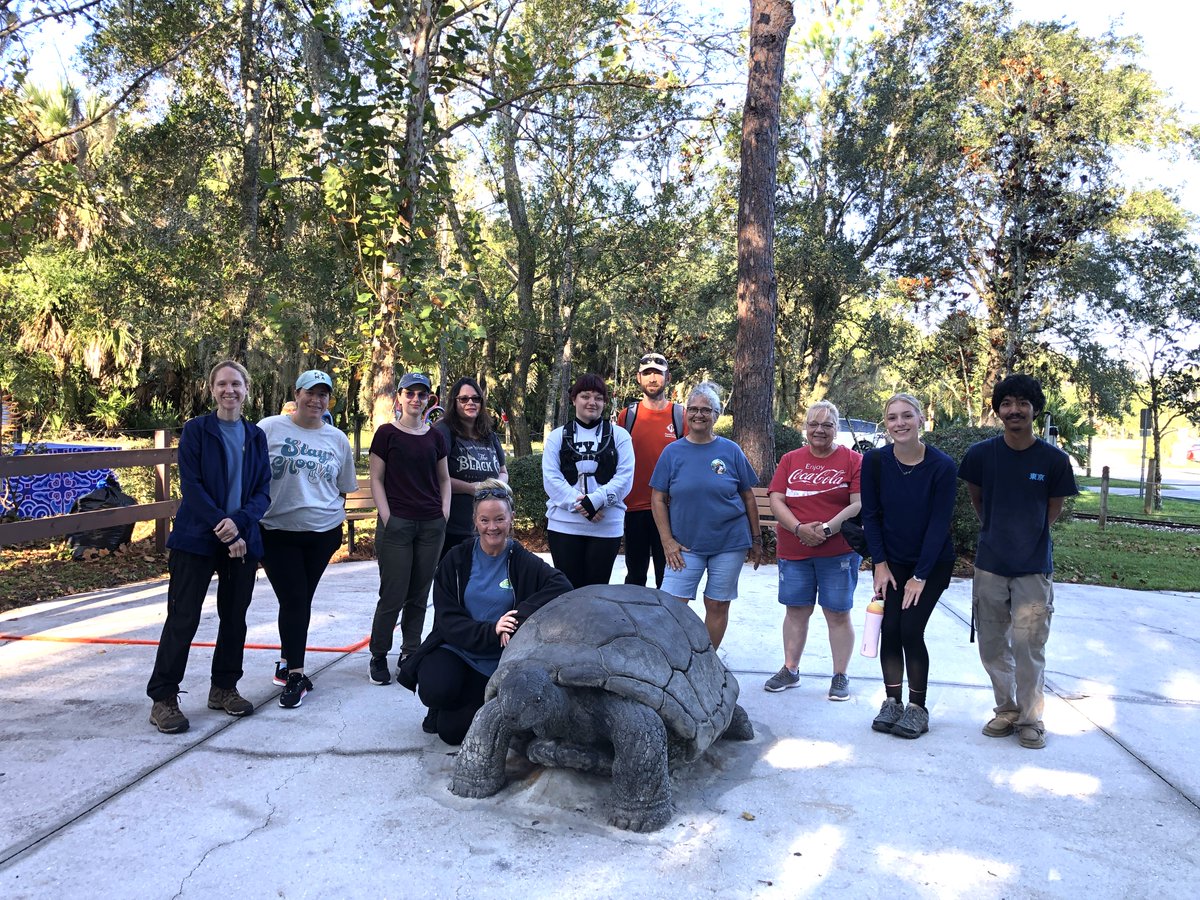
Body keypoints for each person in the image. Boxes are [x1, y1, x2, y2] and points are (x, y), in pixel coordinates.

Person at [146, 360, 271, 734]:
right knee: (183, 616)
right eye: (222, 384)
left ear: (246, 390)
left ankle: (224, 688)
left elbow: (263, 490)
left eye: (236, 384)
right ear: (211, 389)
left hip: (243, 537)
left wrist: (241, 526)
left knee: (235, 617)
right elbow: (193, 487)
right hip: (197, 538)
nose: (229, 390)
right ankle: (163, 698)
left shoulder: (255, 436)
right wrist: (226, 529)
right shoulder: (197, 431)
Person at [398, 480, 572, 744]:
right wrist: (491, 630)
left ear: (511, 518)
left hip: (495, 660)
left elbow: (561, 585)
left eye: (500, 519)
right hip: (456, 647)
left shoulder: (519, 558)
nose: (493, 527)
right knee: (435, 690)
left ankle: (469, 700)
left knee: (451, 733)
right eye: (485, 520)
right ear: (475, 521)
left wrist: (517, 617)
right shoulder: (455, 560)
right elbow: (447, 621)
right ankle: (449, 699)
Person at [959, 374, 1078, 750]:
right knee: (993, 645)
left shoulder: (1054, 460)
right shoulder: (981, 456)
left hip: (1033, 569)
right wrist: (998, 533)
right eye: (1006, 403)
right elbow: (978, 501)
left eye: (1022, 403)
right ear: (998, 410)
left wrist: (1027, 537)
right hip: (990, 566)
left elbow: (1052, 510)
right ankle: (1006, 710)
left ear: (1034, 409)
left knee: (1029, 647)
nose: (1014, 410)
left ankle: (1031, 719)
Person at [257, 370, 359, 709]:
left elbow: (342, 487)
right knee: (296, 598)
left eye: (323, 395)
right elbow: (251, 476)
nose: (316, 400)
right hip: (276, 532)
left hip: (322, 533)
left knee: (299, 599)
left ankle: (288, 661)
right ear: (296, 394)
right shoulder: (269, 428)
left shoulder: (337, 439)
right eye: (310, 393)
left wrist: (333, 524)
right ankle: (297, 675)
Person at [861, 393, 957, 739]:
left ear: (920, 420)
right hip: (891, 562)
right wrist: (880, 564)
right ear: (885, 424)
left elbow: (938, 524)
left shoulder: (942, 466)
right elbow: (870, 516)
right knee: (890, 627)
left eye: (906, 416)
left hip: (931, 564)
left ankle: (917, 707)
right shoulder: (874, 461)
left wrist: (920, 576)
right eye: (891, 418)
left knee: (911, 630)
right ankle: (892, 701)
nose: (899, 423)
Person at [649, 381, 762, 650]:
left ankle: (707, 660)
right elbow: (658, 498)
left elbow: (748, 495)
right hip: (684, 544)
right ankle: (677, 659)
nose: (698, 414)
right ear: (686, 413)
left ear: (716, 415)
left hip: (729, 542)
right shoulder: (672, 452)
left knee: (717, 603)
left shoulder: (731, 450)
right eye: (693, 409)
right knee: (672, 605)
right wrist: (667, 540)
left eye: (706, 410)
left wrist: (756, 540)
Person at [764, 399, 862, 700]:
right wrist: (798, 529)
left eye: (827, 425)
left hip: (839, 552)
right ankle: (790, 669)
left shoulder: (853, 460)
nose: (820, 430)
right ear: (805, 427)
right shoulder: (790, 460)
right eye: (814, 424)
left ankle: (840, 675)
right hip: (794, 549)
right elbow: (777, 499)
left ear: (837, 429)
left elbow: (859, 503)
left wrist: (827, 530)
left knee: (837, 612)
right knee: (796, 610)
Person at [367, 372, 451, 686]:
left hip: (430, 525)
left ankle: (410, 652)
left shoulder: (435, 436)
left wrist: (443, 515)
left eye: (422, 394)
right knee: (393, 594)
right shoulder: (387, 434)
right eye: (410, 393)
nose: (416, 399)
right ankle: (378, 654)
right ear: (399, 397)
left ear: (430, 398)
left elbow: (444, 480)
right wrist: (387, 517)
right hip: (397, 525)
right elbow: (376, 478)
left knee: (418, 594)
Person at [542, 373, 635, 588]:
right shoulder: (557, 436)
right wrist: (583, 504)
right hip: (564, 526)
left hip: (606, 525)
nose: (592, 402)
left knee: (596, 592)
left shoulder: (619, 436)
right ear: (574, 399)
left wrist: (595, 501)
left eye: (598, 397)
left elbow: (625, 477)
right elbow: (551, 478)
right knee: (566, 591)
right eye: (585, 396)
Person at [616, 352, 686, 588]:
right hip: (634, 508)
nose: (653, 379)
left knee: (668, 577)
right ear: (639, 378)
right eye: (647, 374)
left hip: (670, 510)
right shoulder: (628, 417)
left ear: (668, 377)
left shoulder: (680, 416)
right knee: (635, 576)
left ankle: (667, 625)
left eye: (658, 373)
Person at [435, 376, 508, 559]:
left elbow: (503, 471)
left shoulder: (488, 434)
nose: (471, 403)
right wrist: (470, 488)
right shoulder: (443, 431)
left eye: (476, 399)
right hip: (454, 526)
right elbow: (435, 476)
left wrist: (497, 485)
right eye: (464, 399)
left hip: (487, 528)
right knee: (454, 581)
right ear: (454, 402)